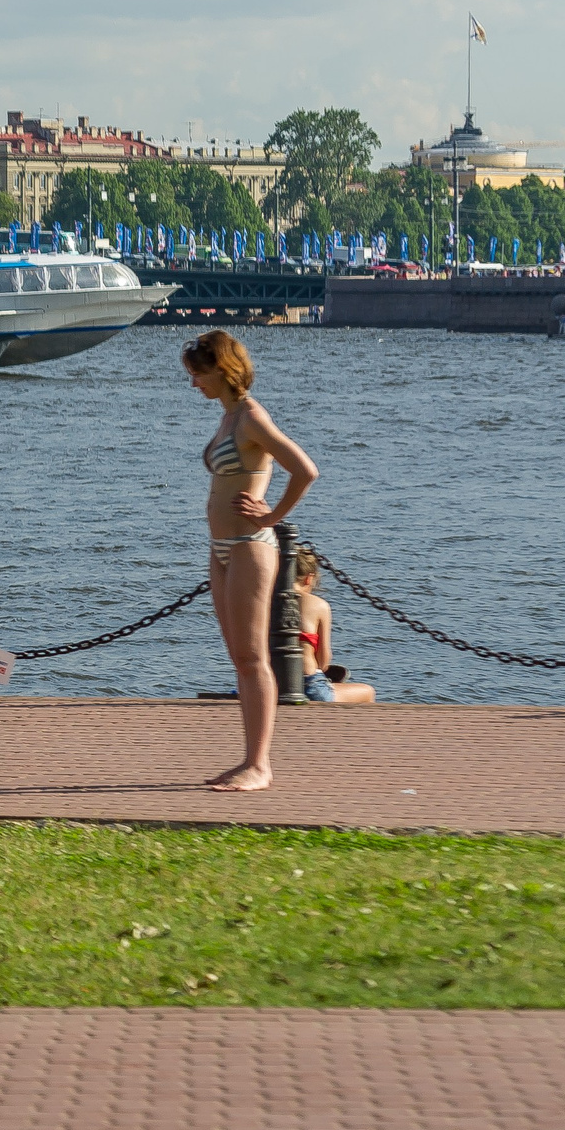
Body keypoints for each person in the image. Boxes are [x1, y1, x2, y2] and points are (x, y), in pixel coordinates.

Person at [184, 329, 317, 792]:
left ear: (222, 370)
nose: (193, 383)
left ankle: (259, 766)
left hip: (250, 546)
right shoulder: (228, 418)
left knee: (253, 657)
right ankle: (248, 760)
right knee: (239, 658)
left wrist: (273, 516)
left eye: (198, 374)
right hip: (221, 549)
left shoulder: (252, 418)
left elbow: (305, 470)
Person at [292, 547, 373, 705]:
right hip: (309, 686)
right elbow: (323, 661)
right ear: (309, 578)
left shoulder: (262, 602)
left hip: (269, 683)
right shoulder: (318, 605)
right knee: (368, 692)